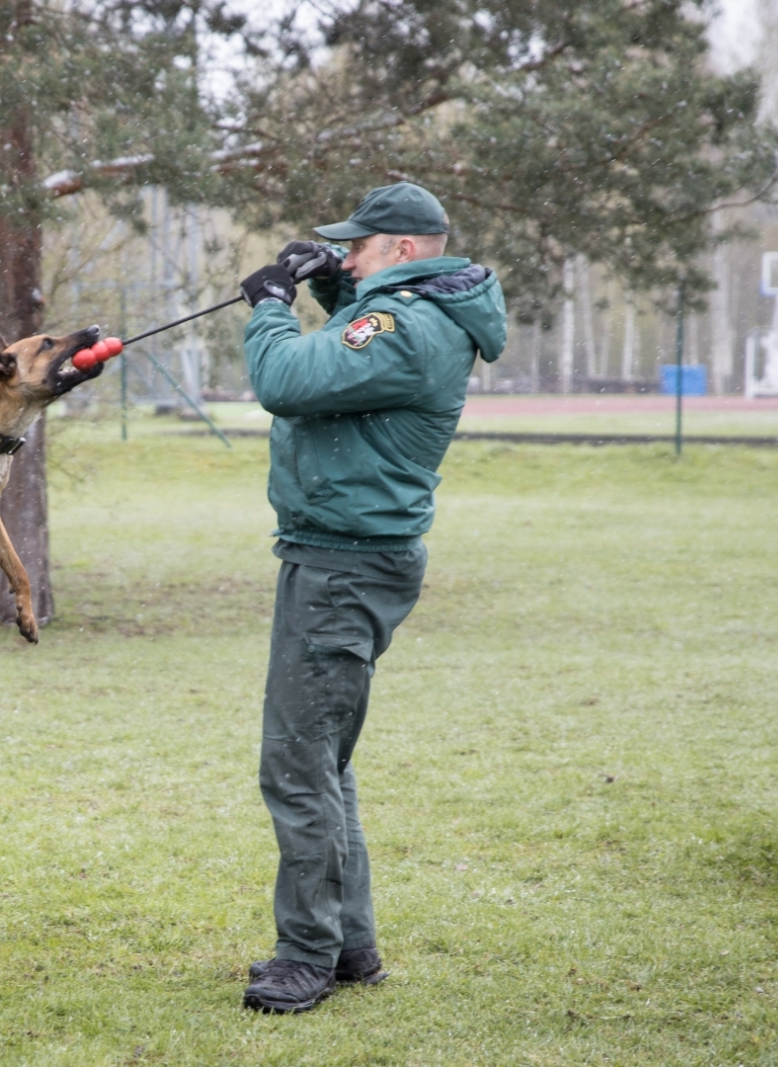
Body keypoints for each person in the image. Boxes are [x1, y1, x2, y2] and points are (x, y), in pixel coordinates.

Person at [236, 182, 507, 1014]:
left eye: (356, 247)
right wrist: (327, 286)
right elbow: (353, 344)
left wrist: (273, 304)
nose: (345, 255)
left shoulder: (405, 326)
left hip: (342, 567)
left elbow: (286, 376)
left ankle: (306, 955)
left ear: (401, 250)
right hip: (347, 557)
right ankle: (349, 944)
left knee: (295, 763)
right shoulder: (414, 314)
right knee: (326, 759)